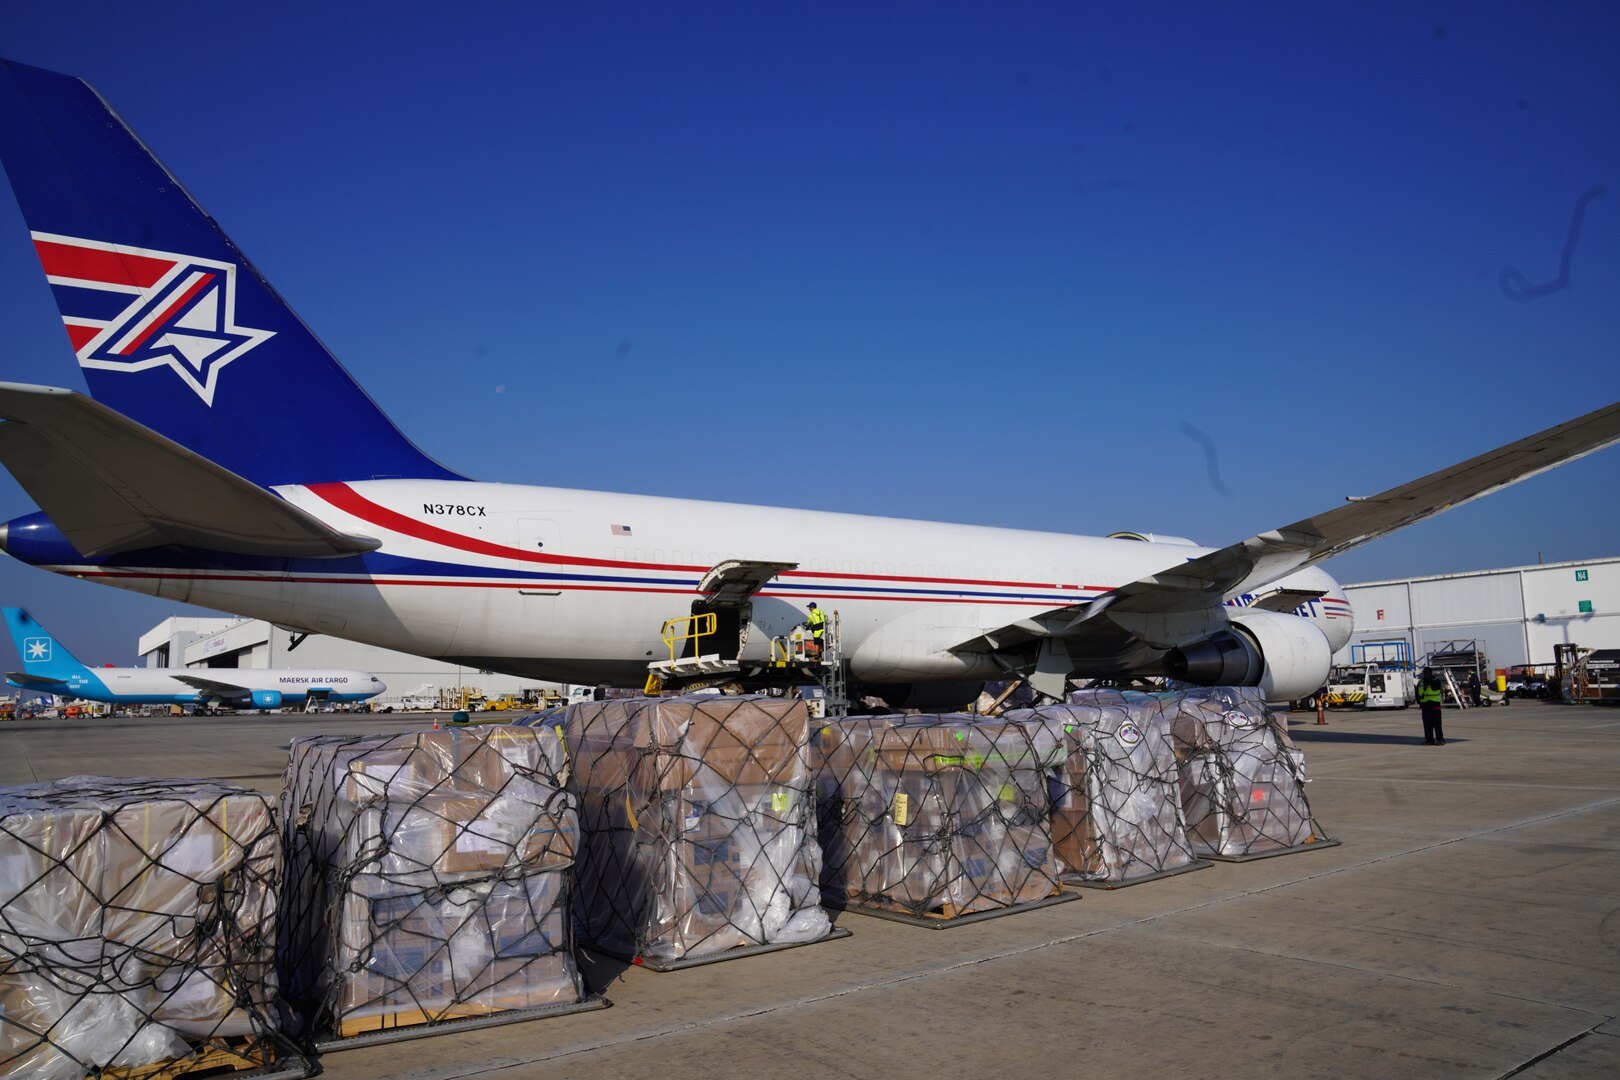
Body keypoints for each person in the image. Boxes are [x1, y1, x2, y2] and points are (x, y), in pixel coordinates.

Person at [1417, 667, 1445, 745]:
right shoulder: (1421, 682)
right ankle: (1429, 740)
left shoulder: (1435, 680)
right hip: (1425, 708)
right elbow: (1418, 694)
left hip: (1435, 707)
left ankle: (1440, 739)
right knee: (1427, 726)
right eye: (1425, 673)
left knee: (1437, 725)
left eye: (1427, 673)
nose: (1426, 674)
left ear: (1430, 673)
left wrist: (1429, 680)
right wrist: (1420, 703)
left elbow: (1435, 687)